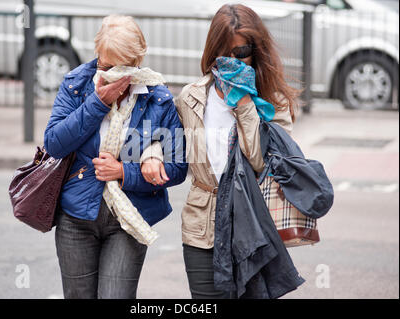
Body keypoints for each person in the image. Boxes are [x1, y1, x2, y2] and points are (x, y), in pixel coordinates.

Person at [141, 4, 301, 298]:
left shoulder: (273, 102)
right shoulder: (192, 96)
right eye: (224, 53)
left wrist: (243, 103)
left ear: (257, 51)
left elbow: (260, 161)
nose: (232, 61)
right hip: (202, 225)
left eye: (241, 53)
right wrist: (151, 151)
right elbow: (164, 134)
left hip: (252, 227)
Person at [44, 15, 188, 299]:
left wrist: (124, 171)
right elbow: (54, 144)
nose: (113, 75)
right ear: (98, 54)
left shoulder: (158, 98)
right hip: (77, 216)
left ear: (138, 59)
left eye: (123, 68)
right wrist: (97, 103)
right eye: (106, 66)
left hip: (129, 216)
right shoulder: (77, 85)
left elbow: (179, 167)